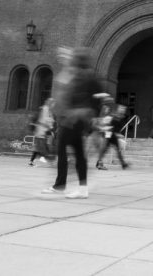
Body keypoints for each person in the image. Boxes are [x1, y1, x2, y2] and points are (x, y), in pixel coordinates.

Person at [45, 48, 104, 199]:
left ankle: (60, 186)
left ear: (77, 61)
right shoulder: (87, 75)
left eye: (73, 59)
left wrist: (89, 115)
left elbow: (75, 97)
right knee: (78, 153)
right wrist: (93, 117)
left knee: (63, 150)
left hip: (72, 120)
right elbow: (99, 96)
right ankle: (81, 188)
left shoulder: (81, 76)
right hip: (77, 120)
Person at [95, 101, 129, 170]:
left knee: (114, 149)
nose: (122, 111)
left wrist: (118, 134)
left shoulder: (120, 117)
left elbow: (116, 128)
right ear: (118, 110)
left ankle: (123, 164)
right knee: (105, 149)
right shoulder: (113, 116)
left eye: (123, 110)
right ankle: (123, 164)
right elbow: (108, 125)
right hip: (109, 134)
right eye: (121, 109)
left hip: (112, 135)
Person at [28, 98, 55, 167]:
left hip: (41, 132)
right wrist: (50, 127)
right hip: (41, 132)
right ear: (50, 103)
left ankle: (32, 161)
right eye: (53, 103)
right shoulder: (45, 109)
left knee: (38, 147)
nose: (53, 105)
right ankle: (46, 160)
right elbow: (45, 120)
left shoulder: (46, 109)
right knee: (42, 147)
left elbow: (48, 120)